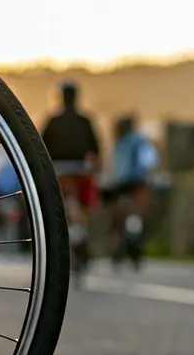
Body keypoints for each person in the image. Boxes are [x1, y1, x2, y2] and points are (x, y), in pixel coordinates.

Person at [40, 80, 101, 267]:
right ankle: (82, 238)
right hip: (82, 170)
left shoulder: (53, 121)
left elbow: (40, 147)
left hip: (60, 171)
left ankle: (72, 241)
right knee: (83, 208)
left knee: (67, 208)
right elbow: (95, 148)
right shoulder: (85, 120)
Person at [102, 113, 157, 254]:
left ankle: (119, 237)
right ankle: (135, 232)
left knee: (119, 208)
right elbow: (150, 160)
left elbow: (114, 166)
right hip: (138, 180)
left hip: (121, 181)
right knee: (137, 208)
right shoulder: (140, 141)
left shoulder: (119, 143)